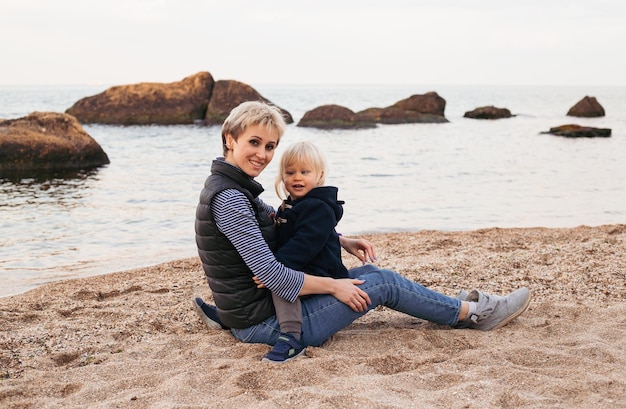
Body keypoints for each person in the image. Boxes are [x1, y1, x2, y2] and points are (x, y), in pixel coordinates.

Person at [192, 101, 531, 363]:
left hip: (254, 311)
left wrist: (340, 239)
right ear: (229, 138)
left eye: (270, 146)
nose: (263, 154)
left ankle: (453, 307)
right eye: (254, 142)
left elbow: (284, 225)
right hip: (269, 322)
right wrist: (334, 286)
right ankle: (474, 314)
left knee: (369, 273)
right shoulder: (231, 200)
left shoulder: (231, 190)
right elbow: (273, 275)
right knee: (381, 282)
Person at [259, 141, 350, 362]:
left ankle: (291, 336)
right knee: (268, 273)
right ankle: (236, 315)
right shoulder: (292, 204)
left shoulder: (318, 207)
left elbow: (306, 242)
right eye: (290, 173)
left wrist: (277, 267)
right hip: (305, 263)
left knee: (282, 282)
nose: (297, 178)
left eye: (304, 172)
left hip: (319, 269)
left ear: (319, 175)